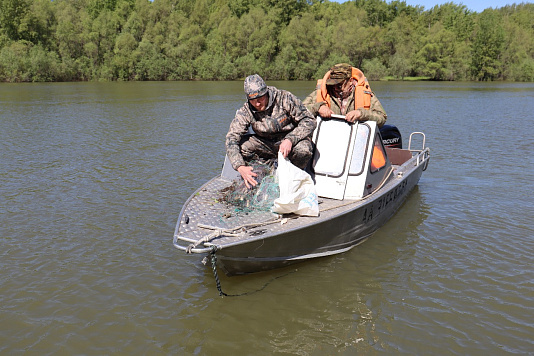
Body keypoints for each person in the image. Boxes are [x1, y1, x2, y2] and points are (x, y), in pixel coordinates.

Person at [226, 74, 317, 188]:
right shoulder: (246, 110)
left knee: (303, 150)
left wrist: (290, 139)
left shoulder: (285, 98)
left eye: (260, 98)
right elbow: (231, 138)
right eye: (253, 100)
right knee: (243, 146)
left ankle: (293, 178)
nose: (257, 104)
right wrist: (240, 167)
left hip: (291, 142)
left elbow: (309, 121)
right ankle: (262, 172)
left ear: (266, 92)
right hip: (267, 145)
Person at [303, 63, 387, 127]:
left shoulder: (365, 94)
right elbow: (298, 110)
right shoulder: (321, 92)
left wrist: (361, 114)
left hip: (355, 140)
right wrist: (318, 108)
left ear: (350, 80)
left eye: (339, 85)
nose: (335, 88)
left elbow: (382, 118)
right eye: (332, 84)